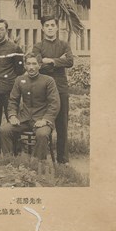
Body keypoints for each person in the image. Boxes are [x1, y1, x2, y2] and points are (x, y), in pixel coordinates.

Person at [0, 53, 60, 160]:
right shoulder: (19, 80)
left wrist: (45, 120)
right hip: (24, 119)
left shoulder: (48, 81)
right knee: (5, 130)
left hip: (42, 120)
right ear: (25, 65)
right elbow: (13, 100)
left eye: (34, 64)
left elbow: (54, 104)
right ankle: (9, 160)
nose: (31, 67)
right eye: (28, 64)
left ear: (39, 65)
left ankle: (37, 163)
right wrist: (13, 116)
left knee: (42, 134)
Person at [32, 16, 74, 163]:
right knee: (42, 122)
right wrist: (58, 61)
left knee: (62, 124)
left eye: (52, 25)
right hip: (43, 88)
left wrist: (49, 60)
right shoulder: (38, 46)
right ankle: (41, 158)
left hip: (61, 87)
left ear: (56, 27)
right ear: (42, 28)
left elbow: (70, 61)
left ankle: (63, 159)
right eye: (47, 25)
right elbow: (37, 65)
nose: (50, 28)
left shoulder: (64, 45)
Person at [0, 19, 24, 132]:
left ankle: (14, 143)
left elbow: (19, 71)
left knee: (12, 118)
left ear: (6, 31)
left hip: (9, 90)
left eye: (2, 29)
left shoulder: (15, 48)